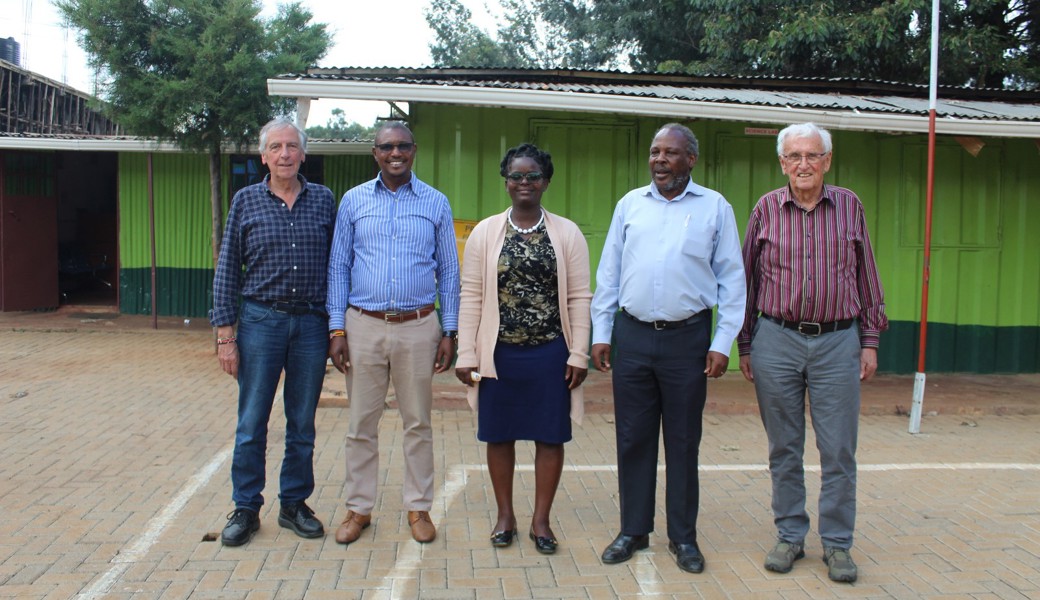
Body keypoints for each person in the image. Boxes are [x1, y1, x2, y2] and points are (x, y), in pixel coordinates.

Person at [591, 123, 746, 574]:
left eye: (670, 152)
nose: (659, 159)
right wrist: (602, 332)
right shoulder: (630, 205)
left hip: (687, 340)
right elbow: (609, 273)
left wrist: (722, 342)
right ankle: (633, 530)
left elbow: (732, 279)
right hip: (633, 336)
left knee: (682, 441)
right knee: (633, 438)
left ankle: (683, 538)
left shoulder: (714, 207)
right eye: (655, 151)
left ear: (690, 160)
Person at [737, 122, 887, 583]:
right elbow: (746, 279)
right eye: (795, 156)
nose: (804, 164)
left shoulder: (849, 205)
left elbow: (866, 274)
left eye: (813, 155)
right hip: (776, 339)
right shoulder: (765, 209)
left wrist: (869, 340)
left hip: (838, 341)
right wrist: (745, 342)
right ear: (782, 163)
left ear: (827, 160)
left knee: (838, 449)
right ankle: (790, 536)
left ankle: (838, 544)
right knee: (784, 447)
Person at [454, 143, 592, 555]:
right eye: (516, 176)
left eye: (533, 176)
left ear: (546, 182)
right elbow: (471, 294)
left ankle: (541, 521)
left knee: (550, 437)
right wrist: (467, 353)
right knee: (499, 435)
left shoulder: (567, 233)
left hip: (550, 354)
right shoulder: (485, 232)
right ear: (506, 182)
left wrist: (579, 353)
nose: (524, 182)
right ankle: (505, 516)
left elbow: (579, 297)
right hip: (499, 354)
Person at [327, 121, 460, 545]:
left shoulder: (436, 202)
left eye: (403, 145)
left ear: (414, 150)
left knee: (417, 422)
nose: (395, 153)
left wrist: (450, 330)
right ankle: (359, 509)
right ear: (376, 153)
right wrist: (336, 327)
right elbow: (338, 266)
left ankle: (418, 507)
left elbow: (449, 271)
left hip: (418, 327)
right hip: (362, 325)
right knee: (360, 424)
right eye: (387, 147)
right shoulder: (353, 201)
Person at [210, 117, 336, 547]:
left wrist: (337, 328)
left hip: (311, 325)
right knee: (252, 422)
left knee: (302, 422)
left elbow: (338, 266)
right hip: (260, 322)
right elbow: (228, 269)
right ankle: (246, 507)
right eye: (276, 147)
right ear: (263, 156)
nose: (285, 154)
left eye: (292, 146)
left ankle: (293, 504)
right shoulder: (246, 201)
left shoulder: (323, 200)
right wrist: (226, 336)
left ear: (303, 154)